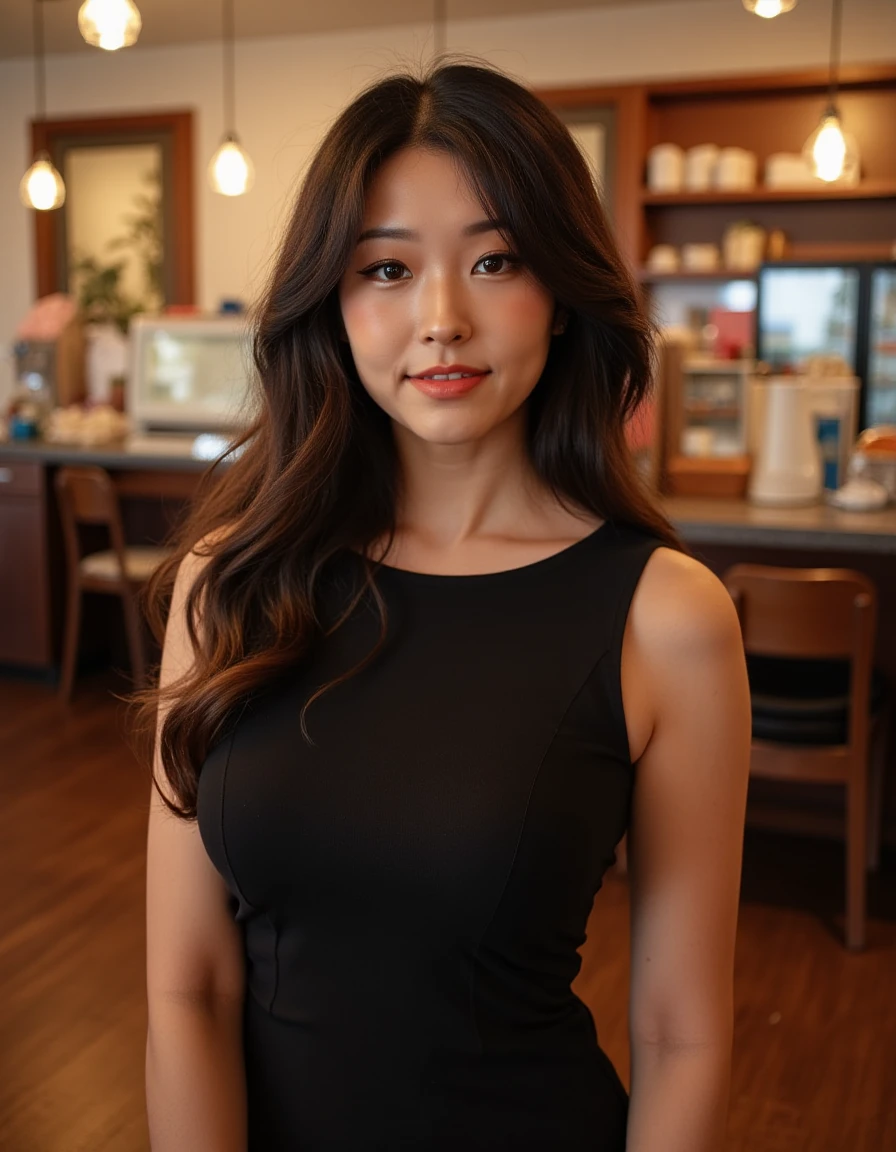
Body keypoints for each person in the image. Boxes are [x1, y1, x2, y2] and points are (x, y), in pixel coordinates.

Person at [143, 60, 751, 1152]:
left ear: (560, 295)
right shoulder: (227, 582)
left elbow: (679, 1036)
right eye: (384, 267)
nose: (440, 318)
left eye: (494, 259)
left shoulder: (665, 618)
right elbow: (186, 987)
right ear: (330, 302)